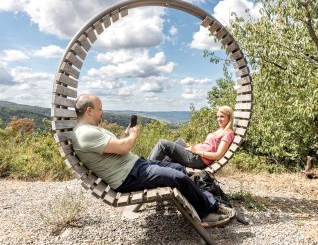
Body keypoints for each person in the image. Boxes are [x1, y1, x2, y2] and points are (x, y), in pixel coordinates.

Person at [71, 94, 235, 228]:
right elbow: (122, 149)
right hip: (128, 176)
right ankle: (207, 212)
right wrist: (133, 136)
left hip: (134, 167)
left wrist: (125, 137)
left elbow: (114, 148)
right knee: (179, 178)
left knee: (179, 168)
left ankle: (207, 202)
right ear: (90, 111)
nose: (102, 112)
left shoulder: (91, 130)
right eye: (100, 109)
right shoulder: (85, 133)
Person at [148, 106, 235, 169]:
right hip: (196, 156)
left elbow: (218, 155)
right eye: (218, 116)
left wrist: (196, 151)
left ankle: (147, 169)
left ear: (229, 117)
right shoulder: (221, 129)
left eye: (222, 116)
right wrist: (193, 147)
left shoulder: (228, 133)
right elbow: (209, 145)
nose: (219, 119)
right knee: (179, 141)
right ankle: (158, 168)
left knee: (163, 144)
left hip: (198, 160)